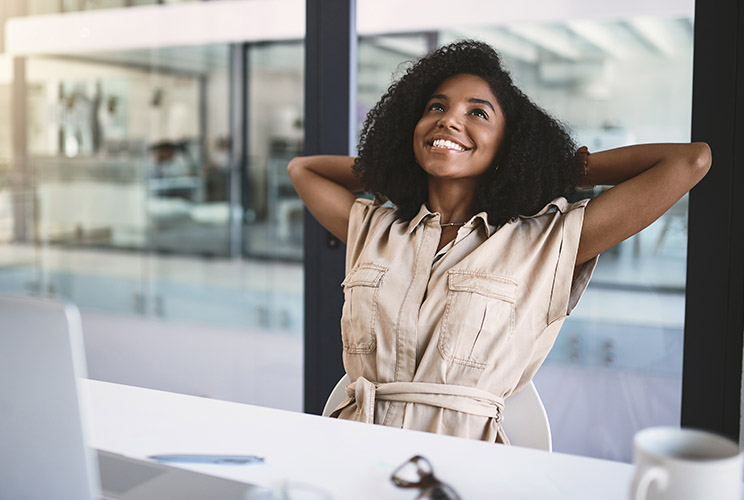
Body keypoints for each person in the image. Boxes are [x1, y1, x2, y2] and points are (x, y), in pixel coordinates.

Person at [287, 40, 710, 443]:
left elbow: (690, 161)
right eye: (436, 107)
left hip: (464, 468)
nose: (449, 120)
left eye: (478, 113)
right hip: (352, 451)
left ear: (510, 146)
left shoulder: (545, 243)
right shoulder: (376, 229)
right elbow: (302, 170)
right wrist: (394, 163)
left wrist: (560, 169)